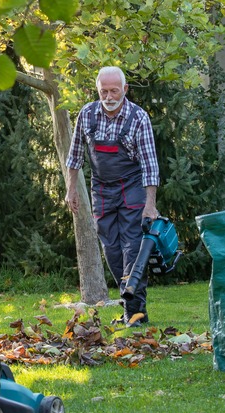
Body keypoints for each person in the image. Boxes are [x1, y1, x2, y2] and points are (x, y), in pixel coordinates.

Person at [64, 66, 159, 327]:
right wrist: (71, 189)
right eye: (103, 91)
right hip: (101, 189)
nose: (108, 96)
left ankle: (134, 312)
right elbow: (74, 156)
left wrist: (150, 205)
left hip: (132, 188)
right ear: (98, 91)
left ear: (125, 90)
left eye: (114, 90)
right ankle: (134, 308)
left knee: (132, 247)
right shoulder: (87, 114)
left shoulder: (138, 118)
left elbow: (150, 165)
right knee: (112, 250)